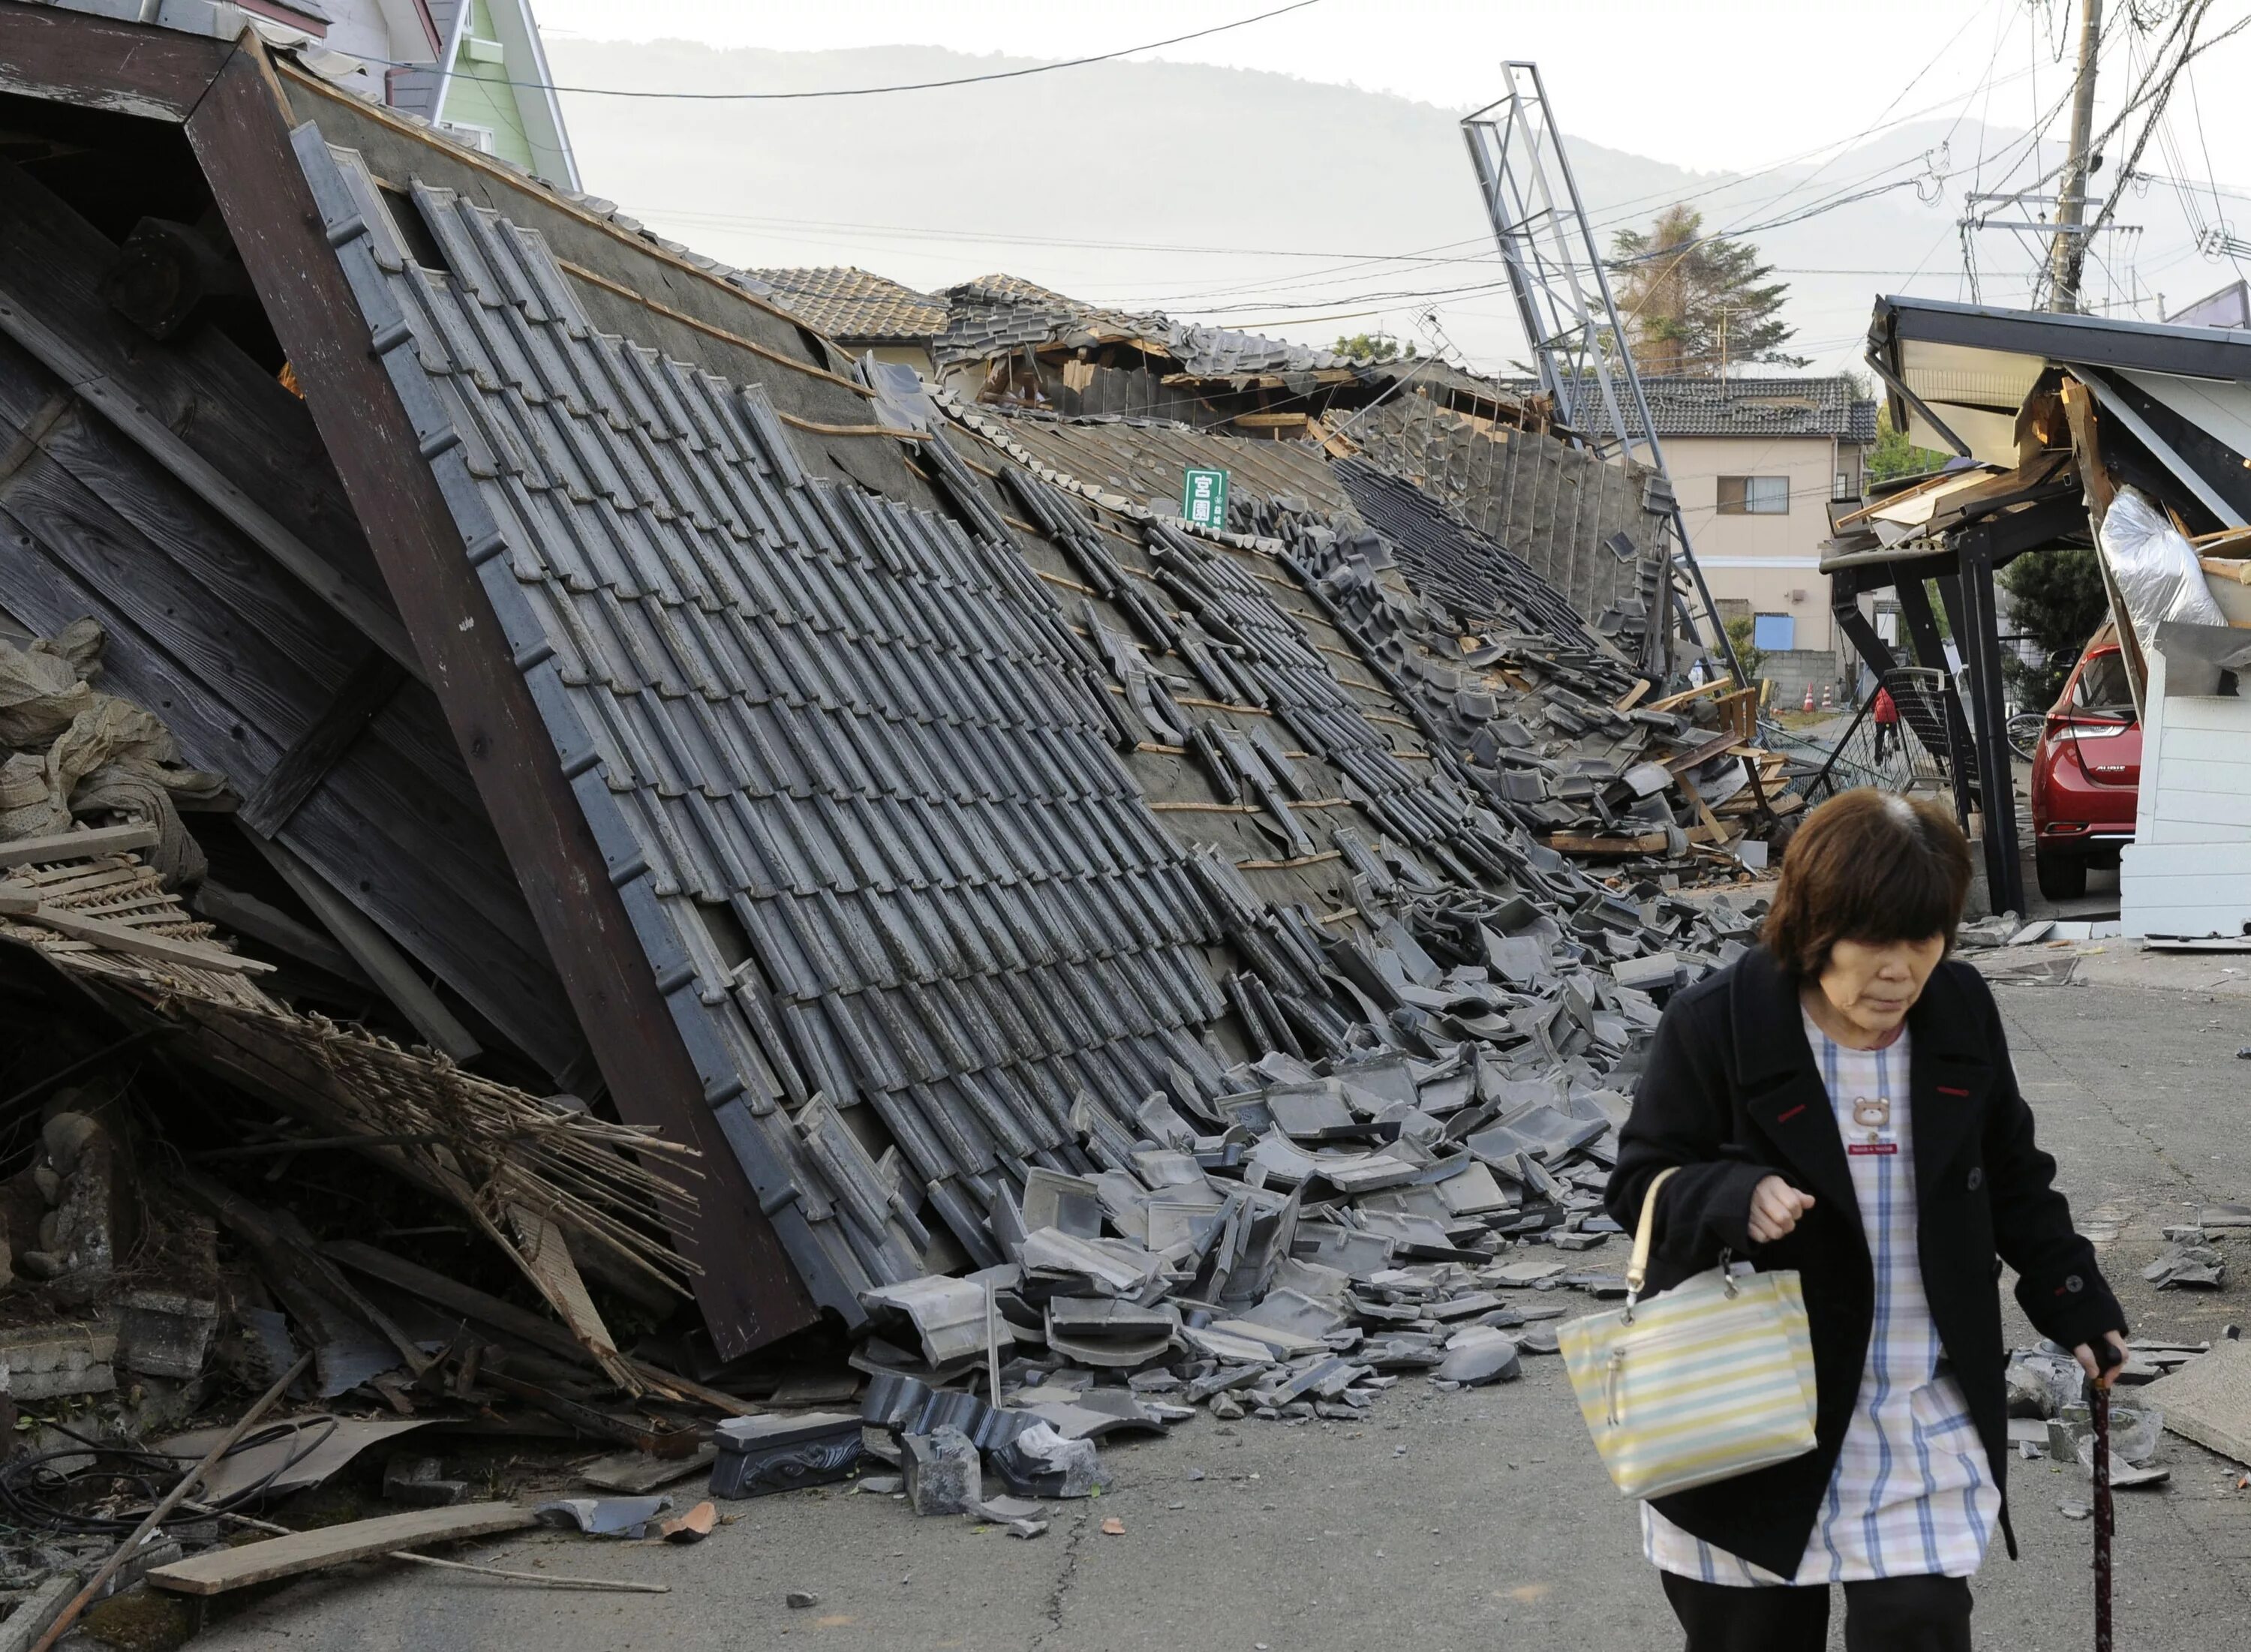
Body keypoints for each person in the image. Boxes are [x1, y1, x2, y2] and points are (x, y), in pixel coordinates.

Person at [1606, 790, 2127, 1651]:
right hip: (1753, 1410)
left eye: (1923, 940)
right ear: (1814, 926)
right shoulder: (1719, 1023)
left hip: (1913, 1402)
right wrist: (1731, 1198)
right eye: (1875, 942)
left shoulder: (1958, 1012)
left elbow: (2012, 1177)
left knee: (1917, 1622)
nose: (1900, 971)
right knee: (1754, 1633)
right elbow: (1640, 1184)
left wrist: (2076, 1300)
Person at [1871, 684, 1901, 761]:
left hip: (1880, 715)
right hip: (1892, 715)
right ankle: (1895, 739)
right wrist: (1898, 715)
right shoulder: (1895, 690)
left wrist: (1873, 709)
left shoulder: (1879, 689)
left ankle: (1878, 759)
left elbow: (1873, 702)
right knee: (1893, 726)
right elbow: (1899, 704)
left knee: (1879, 736)